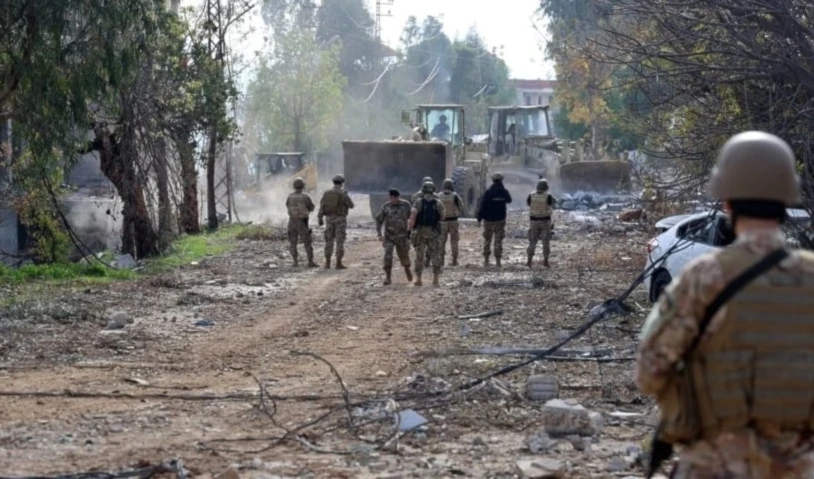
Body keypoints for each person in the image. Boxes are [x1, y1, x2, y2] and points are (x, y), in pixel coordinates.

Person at [637, 131, 814, 478]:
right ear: (787, 202)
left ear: (727, 202)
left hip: (713, 464)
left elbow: (649, 372)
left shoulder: (702, 277)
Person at [408, 181, 445, 286]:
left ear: (423, 189)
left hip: (420, 232)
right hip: (433, 232)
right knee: (435, 254)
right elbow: (443, 217)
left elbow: (412, 217)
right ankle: (435, 279)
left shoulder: (418, 202)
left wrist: (409, 230)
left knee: (419, 255)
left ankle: (419, 279)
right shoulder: (438, 202)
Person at [375, 189, 413, 285]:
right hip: (389, 236)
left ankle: (407, 268)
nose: (393, 200)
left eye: (395, 198)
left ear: (399, 197)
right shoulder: (386, 207)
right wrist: (379, 234)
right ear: (390, 197)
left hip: (402, 236)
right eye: (391, 198)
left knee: (404, 256)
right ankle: (388, 277)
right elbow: (379, 220)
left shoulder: (406, 205)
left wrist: (411, 232)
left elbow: (412, 218)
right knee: (388, 255)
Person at [317, 174, 354, 269]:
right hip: (340, 220)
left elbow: (322, 207)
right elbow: (351, 205)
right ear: (342, 183)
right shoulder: (343, 193)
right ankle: (338, 263)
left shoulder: (326, 193)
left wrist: (320, 218)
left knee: (329, 241)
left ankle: (327, 263)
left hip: (329, 220)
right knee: (339, 241)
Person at [477, 172, 512, 267]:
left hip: (488, 220)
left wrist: (479, 218)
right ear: (501, 180)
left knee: (487, 240)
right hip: (500, 219)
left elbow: (482, 206)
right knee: (498, 240)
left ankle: (486, 261)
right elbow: (509, 200)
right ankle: (498, 261)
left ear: (492, 180)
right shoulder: (504, 191)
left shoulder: (488, 192)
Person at [285, 177, 318, 267]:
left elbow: (287, 205)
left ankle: (295, 262)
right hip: (302, 222)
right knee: (307, 242)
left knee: (293, 243)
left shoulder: (290, 196)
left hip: (291, 221)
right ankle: (310, 262)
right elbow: (312, 208)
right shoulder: (305, 197)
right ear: (303, 186)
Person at [526, 179, 555, 268]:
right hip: (545, 221)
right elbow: (553, 203)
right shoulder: (548, 196)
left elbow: (528, 204)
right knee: (545, 242)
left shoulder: (531, 195)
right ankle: (546, 262)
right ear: (546, 187)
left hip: (534, 221)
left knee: (532, 241)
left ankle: (529, 261)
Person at [438, 178, 464, 266]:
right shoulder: (455, 196)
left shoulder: (439, 196)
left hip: (442, 222)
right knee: (454, 241)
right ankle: (454, 260)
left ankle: (441, 260)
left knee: (442, 241)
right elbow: (461, 207)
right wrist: (457, 213)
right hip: (453, 221)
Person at [412, 177, 436, 266]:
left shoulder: (416, 196)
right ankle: (427, 259)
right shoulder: (436, 197)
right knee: (431, 244)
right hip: (432, 225)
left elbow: (413, 210)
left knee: (418, 243)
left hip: (419, 224)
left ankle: (420, 260)